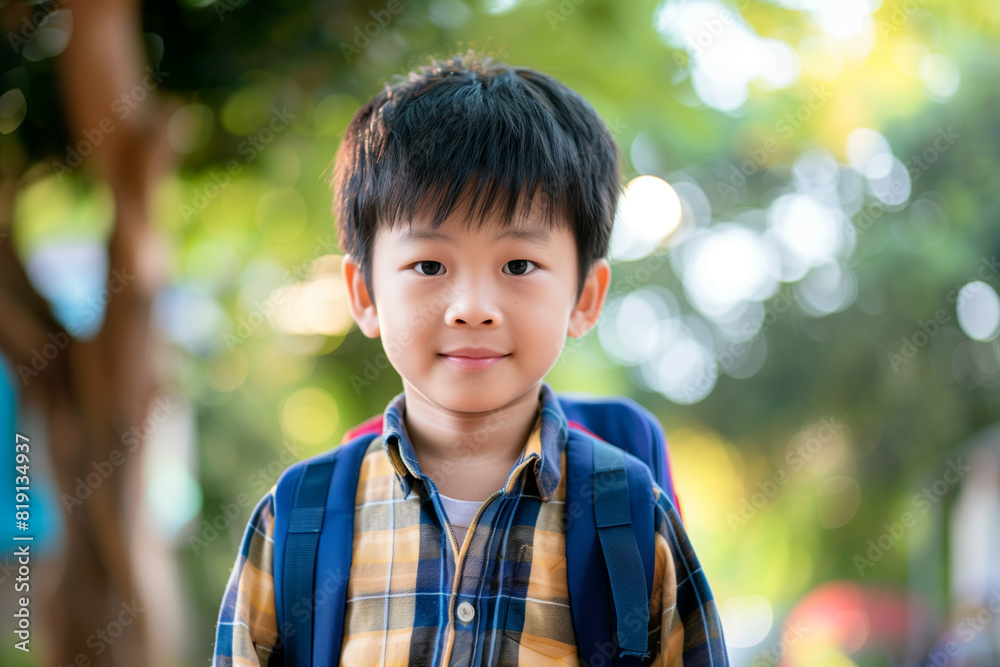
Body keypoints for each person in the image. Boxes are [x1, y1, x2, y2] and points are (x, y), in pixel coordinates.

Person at [212, 50, 729, 666]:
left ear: (585, 298)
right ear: (364, 294)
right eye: (429, 265)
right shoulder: (298, 519)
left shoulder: (635, 522)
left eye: (519, 265)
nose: (473, 307)